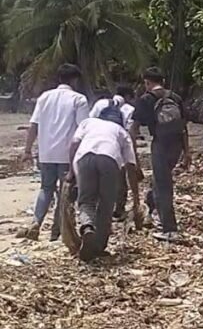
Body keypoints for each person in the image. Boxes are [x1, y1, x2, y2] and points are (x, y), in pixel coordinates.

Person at [23, 63, 89, 241]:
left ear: (59, 78)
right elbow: (84, 128)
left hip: (45, 152)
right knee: (64, 192)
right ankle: (57, 230)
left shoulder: (44, 97)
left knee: (45, 188)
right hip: (67, 154)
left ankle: (36, 222)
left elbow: (33, 126)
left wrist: (27, 150)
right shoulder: (79, 99)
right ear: (75, 80)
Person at [69, 105, 140, 260]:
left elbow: (74, 144)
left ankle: (87, 226)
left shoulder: (88, 123)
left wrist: (70, 172)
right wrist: (136, 197)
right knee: (106, 205)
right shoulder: (122, 132)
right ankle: (98, 247)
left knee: (86, 201)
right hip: (110, 159)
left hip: (85, 157)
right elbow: (130, 166)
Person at [131, 68, 189, 242]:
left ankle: (169, 229)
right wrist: (187, 153)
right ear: (162, 81)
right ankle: (150, 206)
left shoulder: (146, 100)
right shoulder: (175, 98)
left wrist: (133, 155)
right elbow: (184, 126)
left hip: (160, 145)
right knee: (160, 180)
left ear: (147, 83)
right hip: (177, 146)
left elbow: (134, 129)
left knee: (163, 186)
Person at [91, 85, 137, 219]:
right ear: (128, 97)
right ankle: (118, 209)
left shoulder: (100, 103)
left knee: (97, 179)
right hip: (117, 148)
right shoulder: (129, 109)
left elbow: (90, 121)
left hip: (95, 145)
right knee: (120, 181)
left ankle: (97, 208)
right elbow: (130, 133)